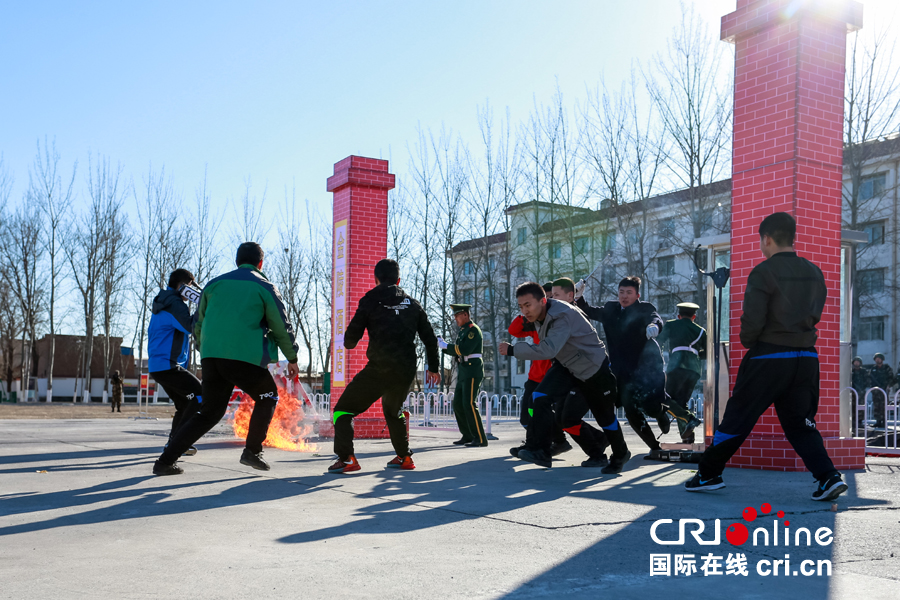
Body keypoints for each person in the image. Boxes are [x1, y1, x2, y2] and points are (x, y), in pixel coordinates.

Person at [685, 212, 848, 501]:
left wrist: (748, 341)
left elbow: (752, 321)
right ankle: (828, 477)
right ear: (792, 237)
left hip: (769, 357)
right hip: (806, 358)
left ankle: (708, 474)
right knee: (801, 423)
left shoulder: (763, 271)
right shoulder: (814, 271)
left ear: (767, 238)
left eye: (762, 241)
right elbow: (817, 312)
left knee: (738, 418)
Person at [152, 242, 300, 476]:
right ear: (260, 263)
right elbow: (281, 325)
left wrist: (205, 351)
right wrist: (291, 357)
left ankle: (165, 460)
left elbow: (198, 324)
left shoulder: (213, 285)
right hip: (244, 356)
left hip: (212, 357)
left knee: (208, 412)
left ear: (236, 261)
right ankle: (252, 451)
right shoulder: (264, 286)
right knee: (268, 395)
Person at [499, 282, 630, 474]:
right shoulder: (539, 314)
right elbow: (516, 328)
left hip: (593, 369)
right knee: (539, 397)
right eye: (520, 306)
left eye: (528, 305)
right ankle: (540, 450)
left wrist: (513, 350)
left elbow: (548, 349)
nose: (524, 311)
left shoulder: (562, 315)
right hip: (567, 365)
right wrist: (524, 314)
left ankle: (621, 453)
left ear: (543, 301)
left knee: (606, 418)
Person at [327, 259, 440, 474]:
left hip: (380, 368)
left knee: (342, 410)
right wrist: (433, 367)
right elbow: (430, 339)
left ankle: (347, 458)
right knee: (393, 410)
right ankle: (404, 457)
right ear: (398, 280)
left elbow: (350, 340)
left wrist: (350, 337)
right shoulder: (413, 303)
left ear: (375, 279)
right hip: (406, 369)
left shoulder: (370, 299)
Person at [575, 276, 670, 459]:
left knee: (650, 404)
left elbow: (655, 318)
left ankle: (660, 413)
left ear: (637, 295)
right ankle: (654, 446)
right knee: (630, 409)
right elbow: (587, 311)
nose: (624, 296)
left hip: (644, 367)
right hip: (621, 370)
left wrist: (654, 326)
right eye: (621, 292)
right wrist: (578, 296)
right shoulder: (611, 309)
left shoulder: (644, 308)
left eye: (629, 293)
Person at [508, 281, 573, 459]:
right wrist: (526, 312)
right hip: (534, 376)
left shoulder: (557, 322)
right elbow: (513, 330)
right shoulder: (535, 324)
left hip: (550, 376)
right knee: (527, 415)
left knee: (536, 411)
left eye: (553, 297)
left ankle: (537, 444)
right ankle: (554, 440)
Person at [148, 268, 203, 455]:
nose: (192, 291)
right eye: (190, 286)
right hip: (168, 365)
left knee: (185, 404)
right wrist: (201, 305)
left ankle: (175, 443)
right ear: (182, 286)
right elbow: (190, 327)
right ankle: (179, 442)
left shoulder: (163, 302)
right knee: (200, 396)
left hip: (159, 365)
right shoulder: (175, 303)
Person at [438, 304, 488, 447]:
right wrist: (444, 346)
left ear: (465, 315)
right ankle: (467, 435)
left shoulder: (473, 330)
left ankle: (480, 438)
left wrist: (446, 346)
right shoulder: (463, 331)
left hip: (472, 370)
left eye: (457, 315)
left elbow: (465, 349)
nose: (455, 318)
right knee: (459, 404)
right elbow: (458, 351)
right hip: (464, 370)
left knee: (469, 404)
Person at [656, 302, 705, 443]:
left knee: (663, 398)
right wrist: (694, 355)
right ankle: (688, 437)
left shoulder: (671, 324)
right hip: (694, 370)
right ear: (694, 316)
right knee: (681, 402)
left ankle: (690, 418)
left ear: (679, 315)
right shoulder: (701, 330)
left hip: (676, 366)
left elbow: (659, 341)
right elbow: (707, 352)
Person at [870, 353, 893, 428]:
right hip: (876, 390)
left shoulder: (887, 368)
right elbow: (869, 379)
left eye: (879, 358)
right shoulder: (873, 369)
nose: (877, 360)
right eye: (876, 358)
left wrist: (888, 385)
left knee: (884, 406)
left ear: (882, 359)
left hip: (884, 389)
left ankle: (884, 421)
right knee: (876, 405)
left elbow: (891, 378)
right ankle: (878, 421)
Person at [851, 356, 870, 430]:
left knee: (861, 406)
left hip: (861, 392)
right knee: (852, 406)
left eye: (858, 362)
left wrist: (862, 388)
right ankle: (853, 421)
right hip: (852, 391)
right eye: (855, 362)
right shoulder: (851, 371)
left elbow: (867, 380)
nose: (856, 363)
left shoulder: (864, 371)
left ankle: (860, 421)